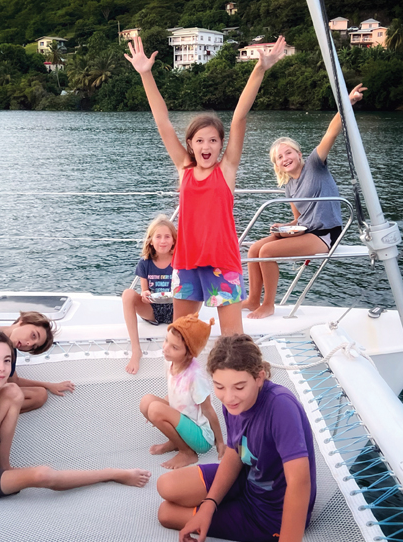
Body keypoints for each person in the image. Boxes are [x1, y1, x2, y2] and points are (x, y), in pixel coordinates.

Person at [125, 36, 287, 335]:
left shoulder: (226, 169)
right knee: (181, 338)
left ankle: (234, 379)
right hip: (186, 264)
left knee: (232, 340)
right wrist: (145, 74)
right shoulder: (184, 168)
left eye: (213, 140)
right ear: (190, 144)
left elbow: (238, 117)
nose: (206, 145)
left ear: (221, 144)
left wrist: (260, 69)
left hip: (223, 263)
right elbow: (162, 122)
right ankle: (185, 381)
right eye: (200, 140)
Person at [0, 329, 151, 516]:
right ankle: (112, 474)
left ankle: (2, 466)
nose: (2, 369)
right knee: (42, 475)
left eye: (6, 361)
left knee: (12, 391)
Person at [156, 334, 316, 542]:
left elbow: (300, 482)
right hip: (249, 475)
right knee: (166, 485)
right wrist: (210, 504)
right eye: (219, 386)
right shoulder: (232, 403)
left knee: (167, 514)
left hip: (270, 512)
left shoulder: (281, 407)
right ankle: (223, 503)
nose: (229, 396)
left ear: (259, 378)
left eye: (239, 387)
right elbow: (234, 450)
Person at [243, 84, 367, 319]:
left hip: (326, 234)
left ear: (299, 154)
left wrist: (347, 104)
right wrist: (284, 227)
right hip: (306, 231)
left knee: (267, 251)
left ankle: (268, 305)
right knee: (255, 248)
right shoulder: (289, 186)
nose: (285, 158)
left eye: (288, 152)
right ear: (277, 165)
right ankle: (252, 300)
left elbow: (331, 132)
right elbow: (299, 219)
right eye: (280, 157)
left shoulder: (314, 164)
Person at [140, 313, 225, 470]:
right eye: (166, 341)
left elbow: (209, 411)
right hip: (183, 420)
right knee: (146, 402)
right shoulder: (170, 361)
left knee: (155, 409)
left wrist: (220, 442)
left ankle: (187, 452)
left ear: (189, 353)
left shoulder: (195, 377)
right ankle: (175, 441)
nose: (165, 348)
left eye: (175, 347)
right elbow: (175, 393)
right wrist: (159, 409)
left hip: (201, 436)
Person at [123, 214, 177, 375]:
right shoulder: (145, 263)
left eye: (167, 236)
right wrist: (144, 293)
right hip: (153, 310)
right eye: (158, 237)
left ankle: (178, 353)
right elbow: (144, 290)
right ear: (151, 241)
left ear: (174, 240)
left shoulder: (179, 260)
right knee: (127, 294)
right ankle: (136, 350)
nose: (163, 241)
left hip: (176, 309)